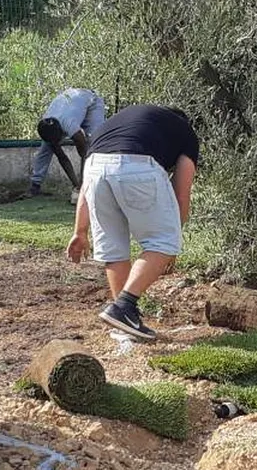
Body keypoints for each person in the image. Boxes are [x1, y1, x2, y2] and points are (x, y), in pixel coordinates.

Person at [68, 104, 199, 341]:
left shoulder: (116, 125)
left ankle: (125, 322)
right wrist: (169, 247)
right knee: (163, 241)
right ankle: (124, 306)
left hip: (95, 167)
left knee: (113, 247)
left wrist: (80, 231)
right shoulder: (185, 131)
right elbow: (181, 194)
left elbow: (87, 184)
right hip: (137, 164)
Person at [29, 87, 107, 197]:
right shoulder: (46, 124)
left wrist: (82, 185)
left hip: (92, 102)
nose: (56, 144)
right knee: (46, 147)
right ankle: (35, 186)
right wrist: (76, 185)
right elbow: (62, 158)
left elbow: (85, 154)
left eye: (56, 141)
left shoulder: (70, 125)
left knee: (93, 143)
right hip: (72, 102)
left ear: (61, 132)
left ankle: (94, 185)